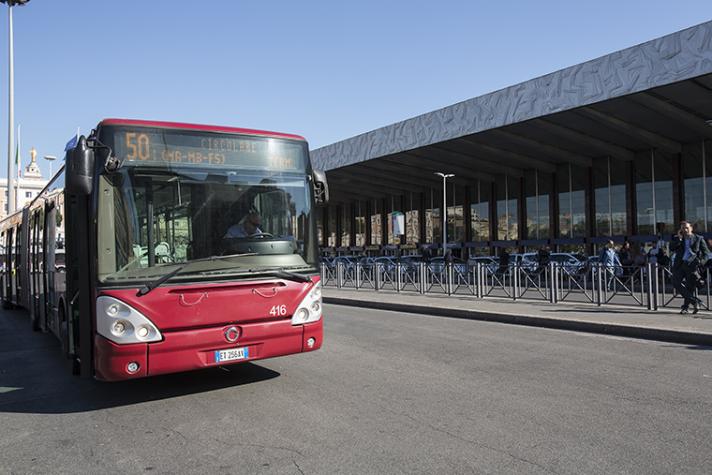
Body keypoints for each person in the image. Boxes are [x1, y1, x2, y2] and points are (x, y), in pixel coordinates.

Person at [670, 221, 710, 314]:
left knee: (689, 287)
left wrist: (700, 262)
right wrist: (679, 238)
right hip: (680, 265)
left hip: (692, 265)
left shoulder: (698, 238)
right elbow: (672, 248)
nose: (685, 230)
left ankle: (686, 307)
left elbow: (706, 254)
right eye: (683, 228)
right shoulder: (678, 238)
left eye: (687, 228)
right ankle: (695, 301)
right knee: (675, 282)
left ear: (691, 228)